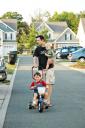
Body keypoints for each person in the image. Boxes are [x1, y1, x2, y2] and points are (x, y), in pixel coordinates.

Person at [33, 35, 55, 106]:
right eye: (37, 40)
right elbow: (35, 57)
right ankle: (40, 99)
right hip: (40, 68)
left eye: (38, 40)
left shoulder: (48, 47)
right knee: (40, 83)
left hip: (49, 69)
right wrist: (35, 63)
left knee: (49, 84)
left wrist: (48, 65)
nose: (37, 41)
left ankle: (48, 101)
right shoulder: (37, 48)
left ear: (42, 40)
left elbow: (51, 58)